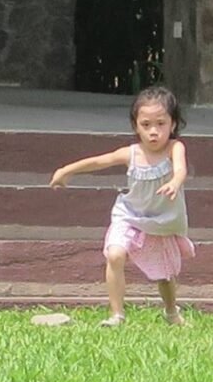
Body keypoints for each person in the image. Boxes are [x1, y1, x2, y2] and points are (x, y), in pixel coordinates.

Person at [50, 86, 194, 326]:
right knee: (115, 254)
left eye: (161, 124)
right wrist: (66, 171)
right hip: (130, 215)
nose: (154, 131)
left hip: (161, 221)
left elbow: (181, 169)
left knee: (165, 275)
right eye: (146, 125)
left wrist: (175, 182)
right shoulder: (131, 154)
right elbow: (100, 161)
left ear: (174, 125)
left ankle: (172, 312)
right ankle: (117, 314)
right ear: (136, 126)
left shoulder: (174, 148)